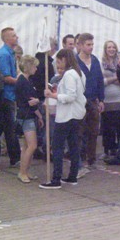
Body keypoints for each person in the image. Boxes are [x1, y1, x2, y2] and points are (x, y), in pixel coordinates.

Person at [39, 48, 86, 189]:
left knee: (58, 146)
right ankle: (72, 176)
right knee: (73, 145)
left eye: (59, 61)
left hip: (67, 115)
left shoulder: (70, 74)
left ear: (65, 60)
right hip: (76, 114)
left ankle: (56, 179)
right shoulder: (79, 73)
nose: (58, 65)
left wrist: (53, 95)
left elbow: (71, 96)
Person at [76, 33, 104, 170]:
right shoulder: (75, 62)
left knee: (94, 131)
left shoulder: (95, 60)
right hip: (79, 101)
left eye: (92, 44)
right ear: (81, 45)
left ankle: (91, 159)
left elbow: (100, 80)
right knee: (80, 132)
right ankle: (79, 160)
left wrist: (101, 99)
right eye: (88, 44)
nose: (91, 47)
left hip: (93, 100)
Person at [0, 27, 21, 167]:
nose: (17, 37)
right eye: (14, 36)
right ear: (6, 39)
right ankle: (15, 158)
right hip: (5, 96)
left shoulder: (10, 53)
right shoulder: (4, 55)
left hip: (9, 95)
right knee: (9, 129)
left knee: (4, 128)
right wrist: (21, 82)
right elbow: (5, 77)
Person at [15, 55, 43, 183]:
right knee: (32, 145)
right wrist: (37, 101)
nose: (36, 69)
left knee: (26, 146)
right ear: (28, 67)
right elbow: (30, 102)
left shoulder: (26, 80)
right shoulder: (23, 82)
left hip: (27, 115)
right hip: (26, 116)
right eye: (34, 66)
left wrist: (39, 114)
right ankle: (22, 172)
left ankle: (25, 170)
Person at [101, 40, 120, 157]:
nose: (111, 49)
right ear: (105, 49)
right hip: (106, 101)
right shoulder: (101, 63)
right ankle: (107, 150)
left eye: (113, 47)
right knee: (107, 128)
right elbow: (101, 82)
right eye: (109, 47)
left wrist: (109, 80)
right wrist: (115, 78)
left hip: (119, 100)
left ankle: (119, 150)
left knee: (119, 127)